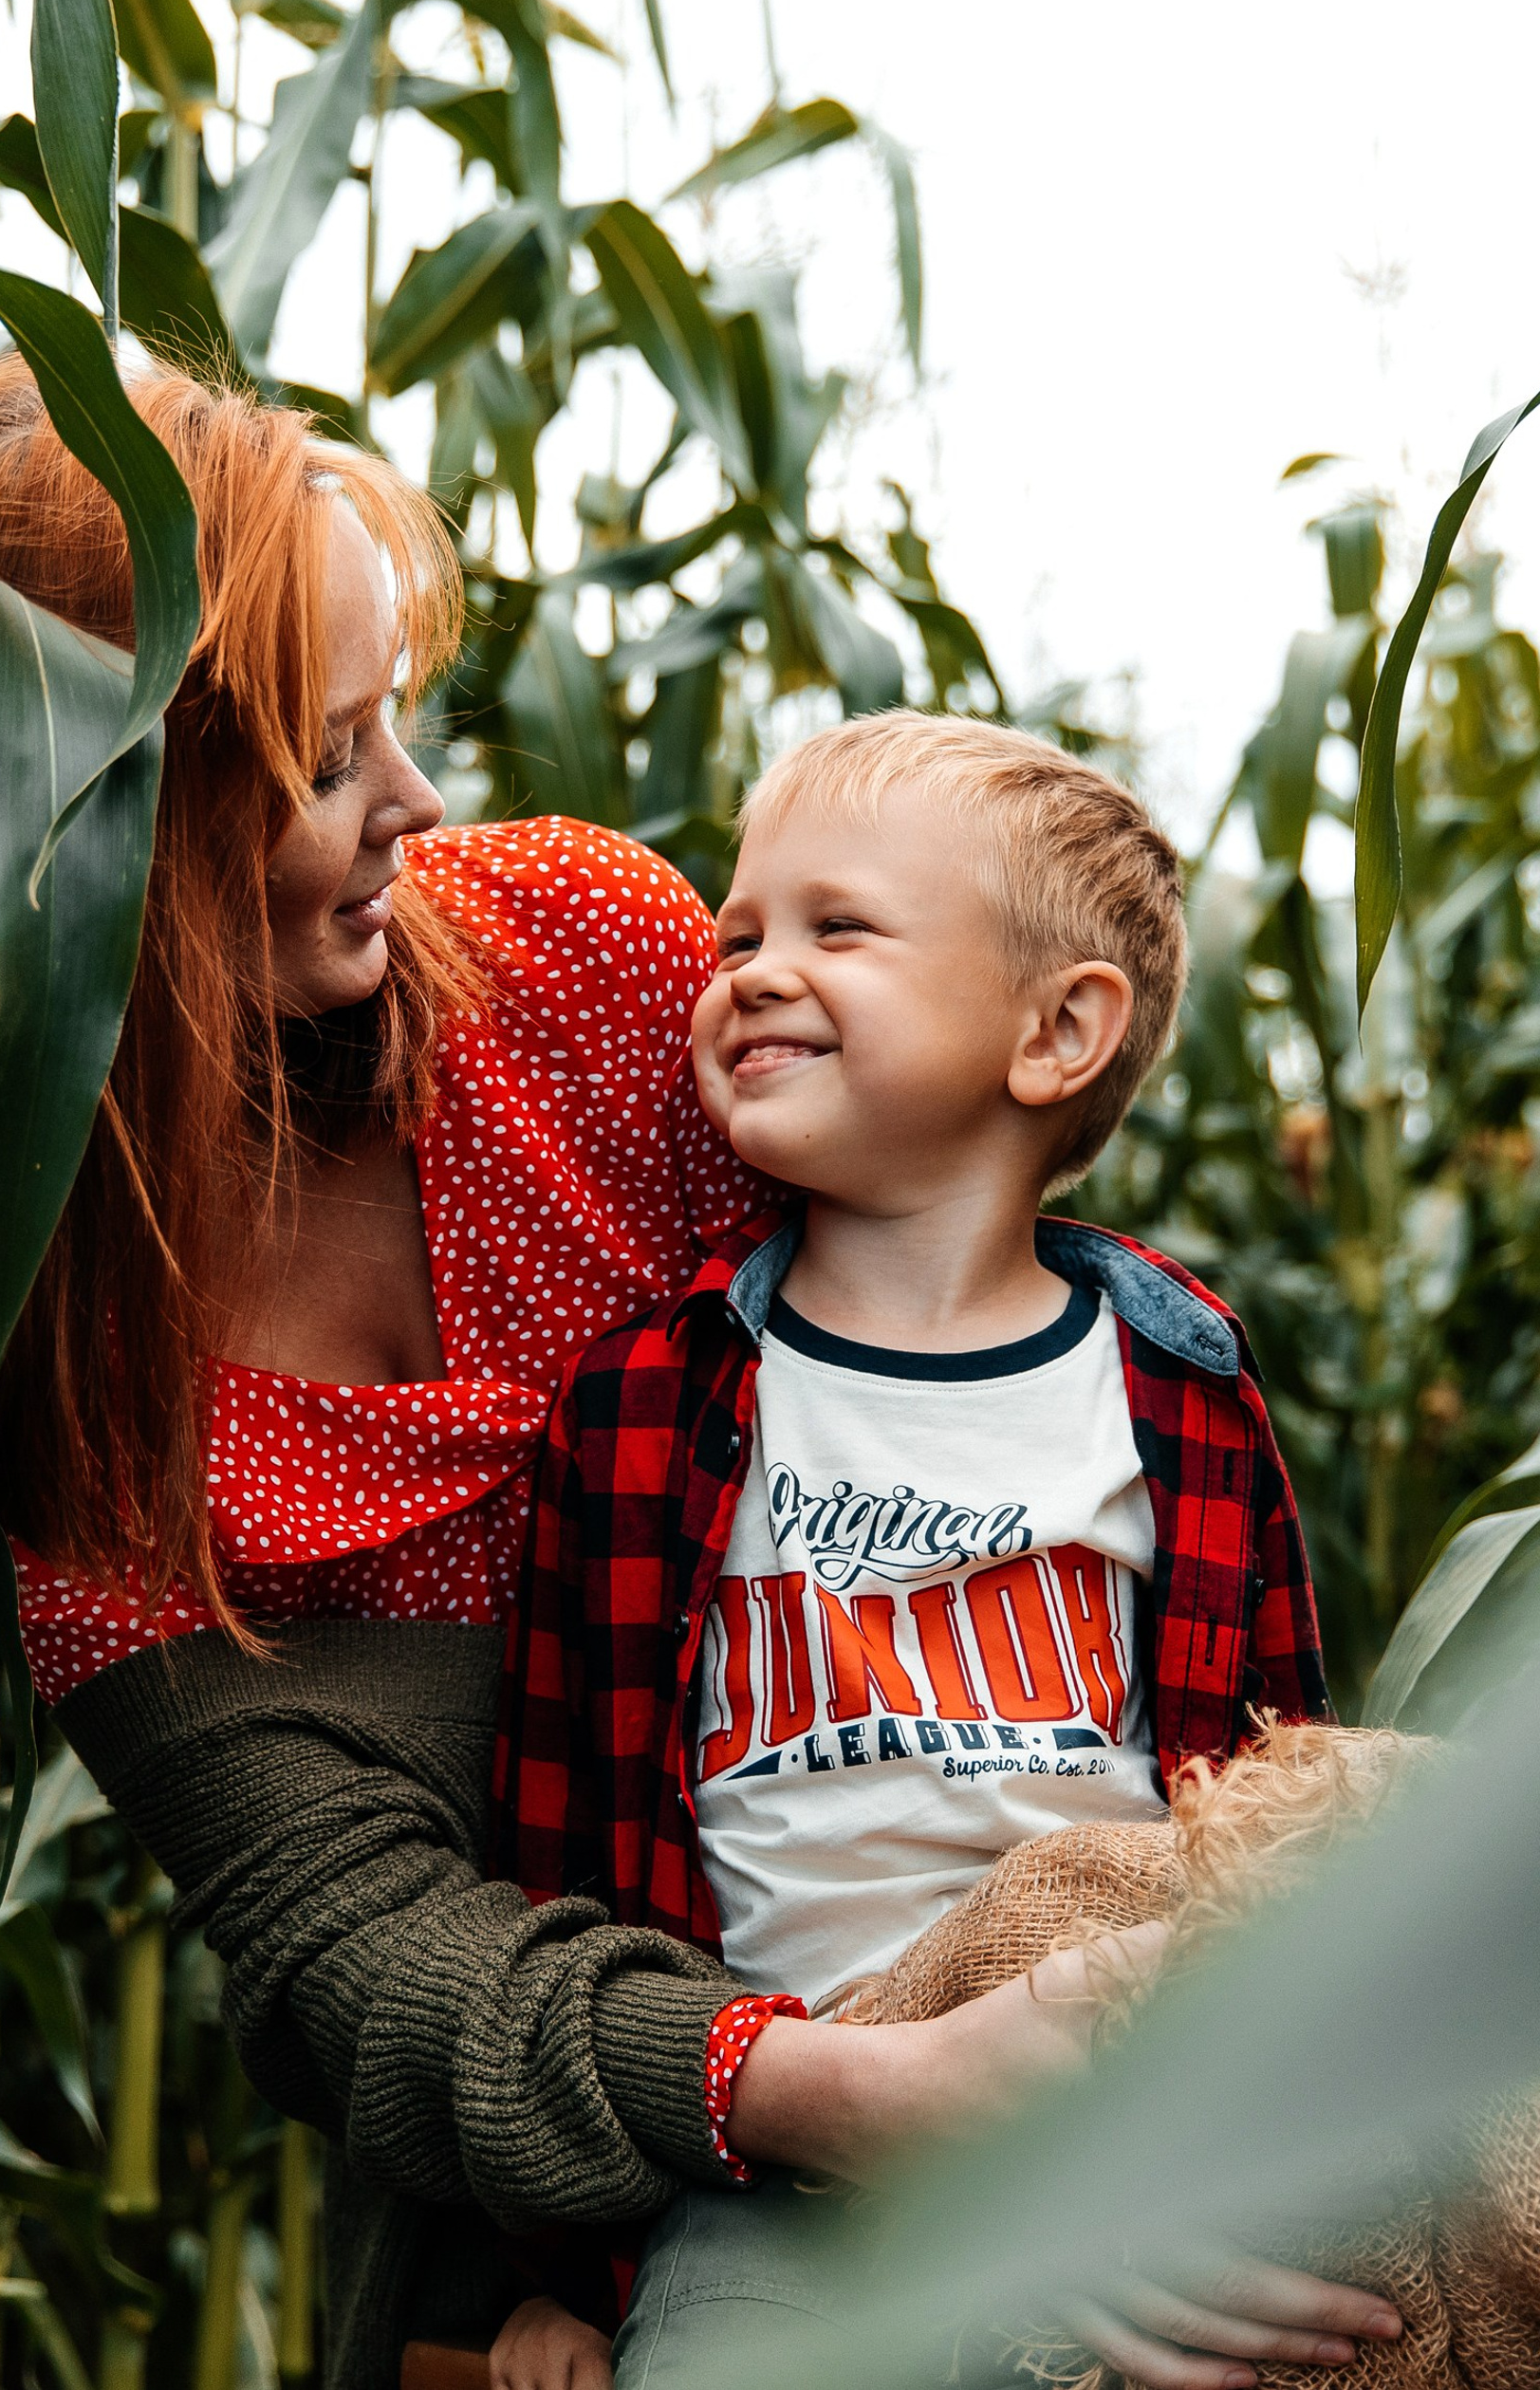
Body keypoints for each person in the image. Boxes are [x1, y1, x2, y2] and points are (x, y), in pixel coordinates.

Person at [0, 361, 1390, 2390]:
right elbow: (349, 1927)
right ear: (94, 827)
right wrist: (776, 2152)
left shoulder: (581, 968)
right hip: (584, 2208)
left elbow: (939, 1367)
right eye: (335, 758)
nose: (417, 805)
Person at [493, 713, 1367, 2390]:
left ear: (1056, 1031)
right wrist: (558, 2269)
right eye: (737, 930)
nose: (747, 967)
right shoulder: (640, 1404)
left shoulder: (1177, 1390)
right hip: (776, 2162)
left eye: (838, 927)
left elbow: (1274, 1806)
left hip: (1117, 2129)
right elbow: (558, 1857)